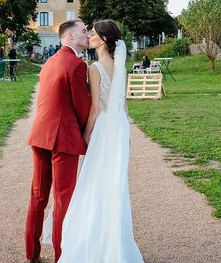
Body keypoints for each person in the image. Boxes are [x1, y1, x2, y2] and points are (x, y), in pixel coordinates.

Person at [55, 20, 143, 263]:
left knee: (95, 184)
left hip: (104, 129)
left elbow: (95, 107)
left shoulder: (94, 68)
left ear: (103, 40)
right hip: (120, 128)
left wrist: (84, 138)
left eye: (93, 33)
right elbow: (123, 105)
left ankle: (97, 244)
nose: (89, 36)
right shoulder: (121, 67)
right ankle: (117, 244)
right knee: (115, 185)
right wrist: (127, 134)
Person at [24, 20, 91, 263]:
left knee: (38, 197)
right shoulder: (76, 65)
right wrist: (89, 134)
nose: (88, 33)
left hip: (40, 134)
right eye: (84, 30)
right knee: (63, 199)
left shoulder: (49, 63)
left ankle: (32, 254)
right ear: (70, 36)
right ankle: (61, 258)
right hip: (63, 138)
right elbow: (82, 108)